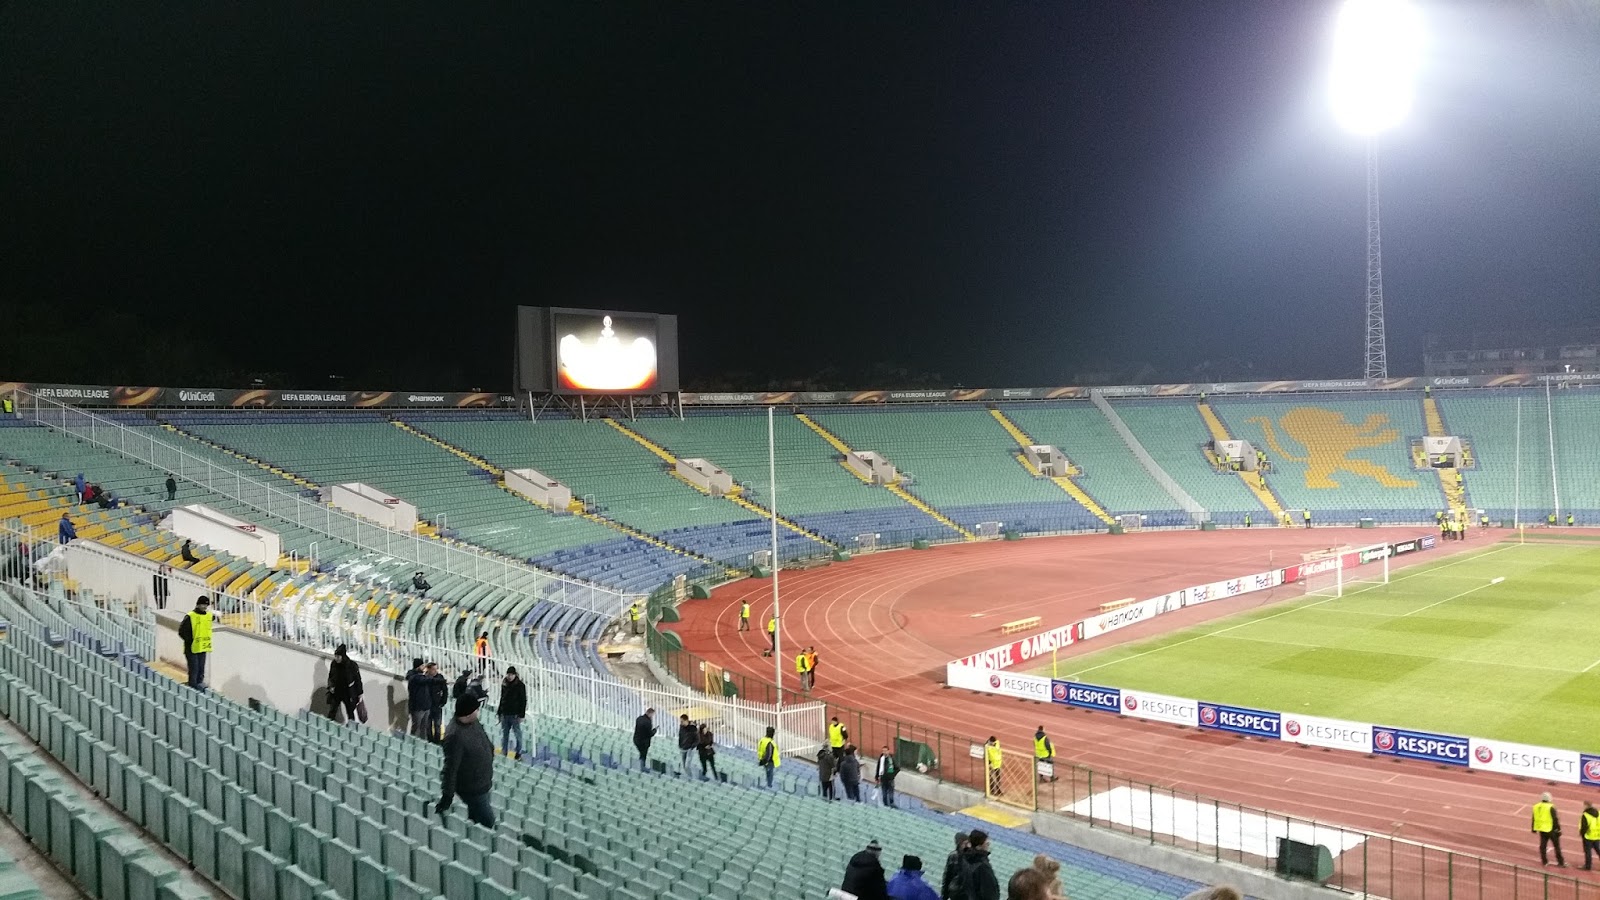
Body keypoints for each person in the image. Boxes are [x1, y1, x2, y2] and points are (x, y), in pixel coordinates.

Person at [436, 694, 495, 827]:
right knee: (488, 821)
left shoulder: (474, 723)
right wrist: (447, 796)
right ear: (468, 713)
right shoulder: (454, 736)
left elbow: (484, 740)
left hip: (483, 781)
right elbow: (450, 768)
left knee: (476, 819)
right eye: (476, 709)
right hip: (472, 788)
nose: (478, 711)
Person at [176, 595, 216, 690]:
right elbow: (181, 631)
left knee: (201, 669)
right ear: (198, 604)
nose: (204, 607)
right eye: (203, 604)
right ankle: (193, 689)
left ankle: (199, 687)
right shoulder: (190, 616)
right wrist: (190, 640)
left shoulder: (208, 616)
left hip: (202, 647)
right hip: (191, 648)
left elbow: (212, 617)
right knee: (194, 669)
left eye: (206, 605)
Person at [326, 644, 364, 725]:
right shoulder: (334, 664)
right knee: (332, 710)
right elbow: (330, 676)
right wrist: (331, 686)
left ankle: (352, 727)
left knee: (350, 712)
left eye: (338, 657)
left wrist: (360, 693)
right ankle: (329, 725)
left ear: (343, 656)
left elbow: (358, 680)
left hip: (347, 692)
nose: (336, 658)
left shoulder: (352, 665)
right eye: (335, 656)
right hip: (336, 691)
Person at [959, 831, 1000, 900]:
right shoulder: (982, 866)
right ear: (978, 847)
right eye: (986, 844)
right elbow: (990, 891)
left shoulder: (964, 858)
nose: (988, 844)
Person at [498, 666, 526, 759]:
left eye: (511, 675)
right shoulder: (504, 684)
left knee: (517, 734)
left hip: (515, 714)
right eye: (508, 674)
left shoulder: (520, 685)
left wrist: (521, 715)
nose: (509, 676)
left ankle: (518, 752)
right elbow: (502, 698)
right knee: (505, 734)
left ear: (514, 675)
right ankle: (504, 752)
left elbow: (523, 700)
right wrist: (499, 712)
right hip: (505, 713)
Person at [1533, 791, 1566, 867]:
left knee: (1543, 846)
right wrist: (1558, 829)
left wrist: (1533, 829)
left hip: (1542, 829)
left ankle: (1544, 861)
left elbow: (1534, 818)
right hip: (1551, 830)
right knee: (1557, 846)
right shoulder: (1551, 807)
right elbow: (1555, 819)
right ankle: (1561, 862)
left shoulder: (1536, 806)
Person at [406, 659, 432, 738]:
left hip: (426, 706)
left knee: (424, 728)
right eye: (422, 665)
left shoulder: (422, 676)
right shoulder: (413, 676)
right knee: (416, 727)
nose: (424, 667)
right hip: (417, 707)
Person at [941, 833, 969, 900]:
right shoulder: (953, 856)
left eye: (967, 843)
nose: (967, 846)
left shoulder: (971, 856)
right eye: (964, 843)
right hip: (956, 892)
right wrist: (944, 895)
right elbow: (947, 876)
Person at [426, 663, 448, 742]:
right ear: (428, 669)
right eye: (433, 669)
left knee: (437, 724)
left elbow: (445, 690)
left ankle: (437, 741)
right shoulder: (425, 678)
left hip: (437, 704)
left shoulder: (440, 677)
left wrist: (443, 701)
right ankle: (429, 739)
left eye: (436, 669)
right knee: (428, 724)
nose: (435, 671)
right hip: (427, 705)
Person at [1582, 801, 1600, 870]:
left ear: (1586, 806)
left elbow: (1584, 826)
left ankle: (1588, 866)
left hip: (1588, 836)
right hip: (1597, 835)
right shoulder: (1598, 813)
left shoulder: (1586, 815)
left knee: (1588, 852)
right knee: (1598, 851)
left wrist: (1582, 834)